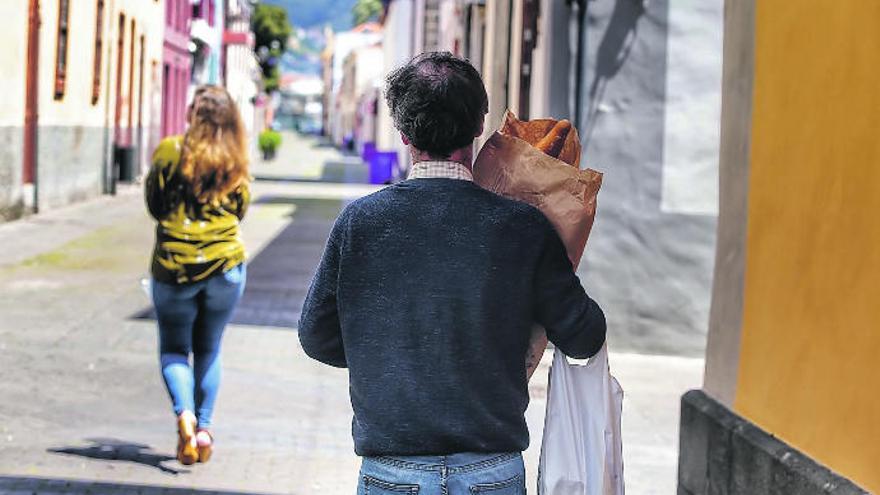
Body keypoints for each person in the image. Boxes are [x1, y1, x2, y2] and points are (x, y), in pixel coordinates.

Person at [298, 52, 606, 494]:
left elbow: (316, 337)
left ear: (403, 133)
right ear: (481, 125)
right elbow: (585, 335)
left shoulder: (360, 224)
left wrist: (394, 352)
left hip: (392, 474)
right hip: (490, 473)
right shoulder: (523, 227)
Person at [145, 85, 250, 465]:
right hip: (225, 267)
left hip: (175, 267)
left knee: (175, 350)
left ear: (194, 114)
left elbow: (155, 205)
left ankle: (185, 418)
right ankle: (204, 430)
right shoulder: (235, 157)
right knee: (209, 348)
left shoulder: (171, 150)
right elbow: (240, 210)